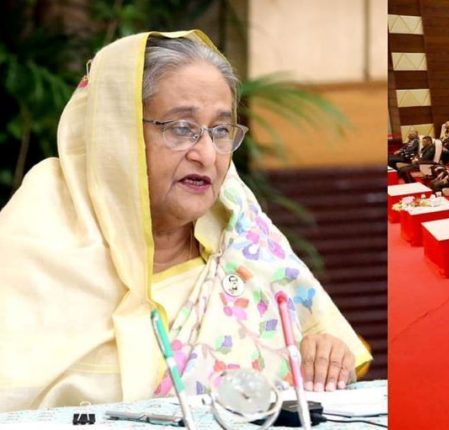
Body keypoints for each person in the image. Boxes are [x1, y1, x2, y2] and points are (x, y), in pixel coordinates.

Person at [0, 31, 371, 412]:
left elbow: (314, 348)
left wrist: (326, 357)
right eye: (181, 128)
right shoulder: (38, 231)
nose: (207, 154)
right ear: (119, 133)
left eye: (221, 130)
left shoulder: (241, 234)